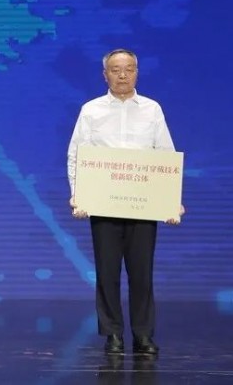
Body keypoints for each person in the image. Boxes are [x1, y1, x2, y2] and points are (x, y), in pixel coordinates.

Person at [67, 49, 184, 356]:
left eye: (129, 69)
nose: (122, 75)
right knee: (107, 273)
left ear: (137, 73)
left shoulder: (152, 109)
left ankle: (143, 334)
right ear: (105, 74)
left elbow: (165, 155)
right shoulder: (91, 110)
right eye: (116, 69)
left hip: (142, 205)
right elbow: (77, 155)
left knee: (141, 273)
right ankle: (113, 334)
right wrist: (79, 195)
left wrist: (171, 201)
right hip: (103, 204)